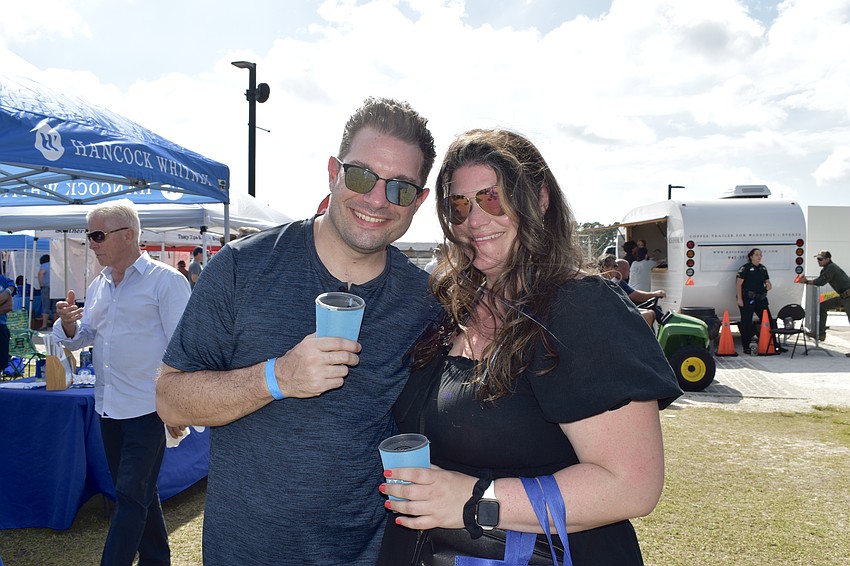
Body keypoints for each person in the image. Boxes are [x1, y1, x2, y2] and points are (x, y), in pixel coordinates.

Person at [155, 97, 439, 565]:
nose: (377, 200)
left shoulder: (424, 302)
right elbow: (171, 399)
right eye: (361, 176)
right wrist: (277, 377)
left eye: (400, 188)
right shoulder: (242, 268)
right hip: (247, 554)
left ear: (419, 201)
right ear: (333, 172)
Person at [377, 129, 682, 565]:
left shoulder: (583, 307)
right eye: (460, 205)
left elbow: (631, 486)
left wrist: (476, 500)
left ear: (538, 200)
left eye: (492, 198)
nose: (474, 220)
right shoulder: (452, 306)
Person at [52, 199, 191, 566]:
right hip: (109, 408)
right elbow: (83, 336)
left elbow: (183, 348)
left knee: (130, 496)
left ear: (128, 235)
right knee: (137, 494)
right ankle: (157, 560)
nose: (92, 243)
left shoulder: (166, 281)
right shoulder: (99, 285)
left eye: (98, 235)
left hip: (149, 408)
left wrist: (177, 405)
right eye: (89, 235)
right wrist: (68, 324)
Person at [796, 250, 850, 351]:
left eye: (820, 259)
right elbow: (820, 280)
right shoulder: (827, 268)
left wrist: (806, 281)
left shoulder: (831, 268)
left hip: (848, 297)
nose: (818, 261)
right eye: (817, 259)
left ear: (827, 259)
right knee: (823, 306)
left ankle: (820, 333)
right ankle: (820, 334)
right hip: (844, 297)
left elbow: (820, 282)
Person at [736, 248, 780, 354]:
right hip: (748, 299)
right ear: (751, 257)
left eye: (760, 255)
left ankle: (774, 345)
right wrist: (740, 299)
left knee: (769, 321)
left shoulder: (762, 268)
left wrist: (768, 285)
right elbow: (738, 284)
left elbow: (767, 281)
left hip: (761, 299)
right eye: (756, 255)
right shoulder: (745, 268)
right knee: (746, 323)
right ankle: (746, 347)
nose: (759, 257)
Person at [0, 275, 15, 375]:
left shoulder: (4, 280)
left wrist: (8, 291)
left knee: (1, 362)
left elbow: (9, 305)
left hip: (1, 327)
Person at [37, 254, 52, 330]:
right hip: (56, 288)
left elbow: (41, 273)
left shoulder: (44, 265)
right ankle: (55, 324)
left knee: (45, 306)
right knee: (55, 307)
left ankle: (44, 325)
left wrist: (41, 284)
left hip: (46, 287)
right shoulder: (55, 265)